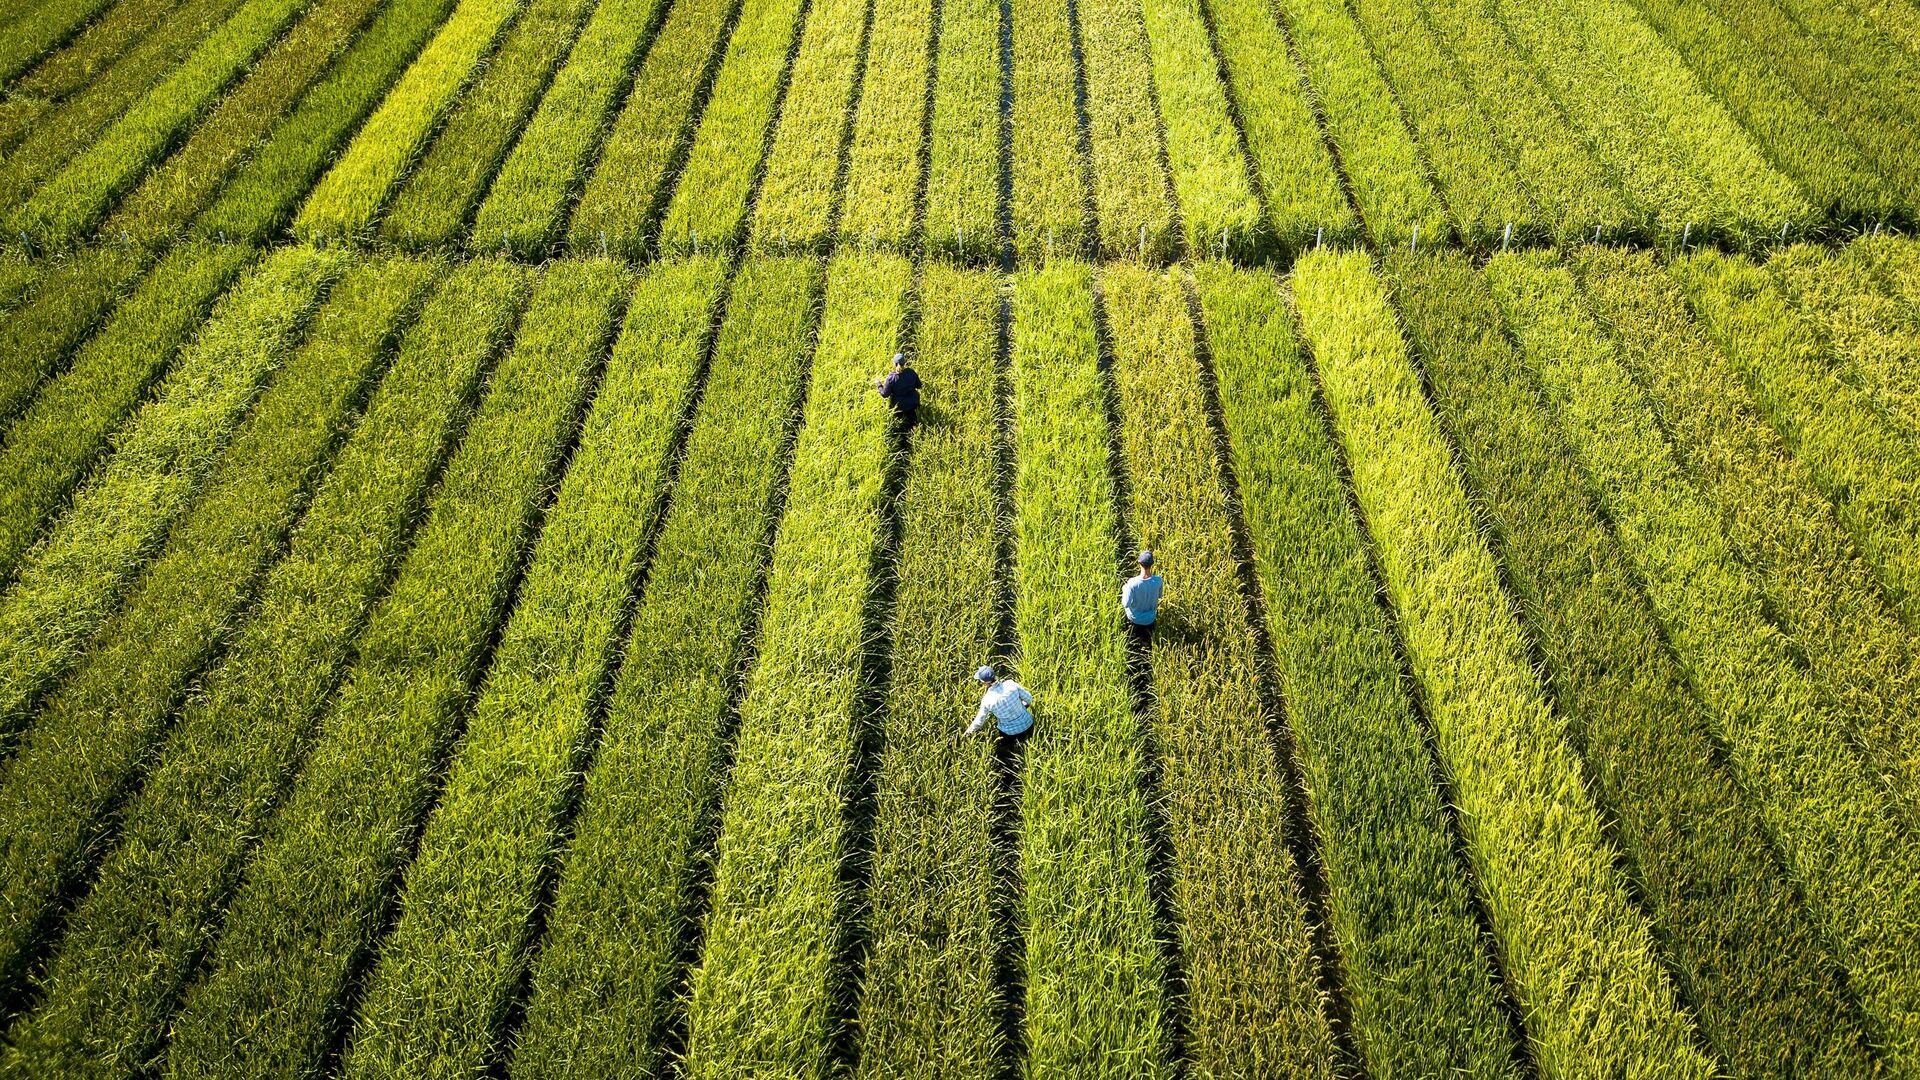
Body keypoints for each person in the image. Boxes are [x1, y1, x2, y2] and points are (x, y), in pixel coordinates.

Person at [967, 666, 1033, 740]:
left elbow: (979, 721)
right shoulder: (1011, 684)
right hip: (1028, 724)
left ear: (984, 683)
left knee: (1007, 745)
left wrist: (968, 732)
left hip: (1009, 733)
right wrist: (1023, 706)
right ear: (995, 676)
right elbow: (1029, 698)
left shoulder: (987, 700)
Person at [1121, 549, 1163, 643]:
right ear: (1152, 563)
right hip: (1150, 619)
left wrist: (1124, 589)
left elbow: (1125, 604)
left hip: (1134, 618)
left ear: (1139, 562)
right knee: (1147, 637)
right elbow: (1160, 596)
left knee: (1133, 636)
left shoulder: (1132, 583)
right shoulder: (1158, 581)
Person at [875, 352, 922, 427]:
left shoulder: (891, 378)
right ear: (905, 363)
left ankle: (900, 426)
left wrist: (879, 384)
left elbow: (884, 394)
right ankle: (915, 424)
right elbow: (919, 386)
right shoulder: (911, 372)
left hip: (900, 407)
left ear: (894, 364)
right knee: (913, 419)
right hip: (914, 403)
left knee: (900, 417)